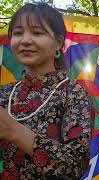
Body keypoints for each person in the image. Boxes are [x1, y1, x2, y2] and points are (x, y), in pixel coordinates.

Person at [0, 3, 93, 179]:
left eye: (37, 32)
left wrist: (13, 130)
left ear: (59, 43)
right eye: (18, 33)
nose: (25, 40)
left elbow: (74, 166)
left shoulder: (73, 93)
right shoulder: (5, 94)